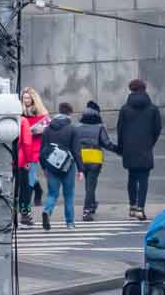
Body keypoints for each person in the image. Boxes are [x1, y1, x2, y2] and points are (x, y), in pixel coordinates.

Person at [115, 78, 162, 220]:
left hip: (129, 149)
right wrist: (150, 143)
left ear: (131, 90)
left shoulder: (125, 109)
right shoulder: (153, 109)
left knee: (131, 177)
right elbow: (157, 129)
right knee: (143, 179)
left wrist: (122, 148)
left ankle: (132, 207)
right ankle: (141, 208)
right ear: (144, 89)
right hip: (145, 148)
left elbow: (120, 130)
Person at [38, 102, 79, 230]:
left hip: (51, 165)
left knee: (52, 194)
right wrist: (81, 169)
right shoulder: (72, 129)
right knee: (69, 194)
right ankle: (70, 222)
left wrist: (44, 167)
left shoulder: (48, 129)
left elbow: (42, 150)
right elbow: (76, 150)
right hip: (68, 165)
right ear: (69, 114)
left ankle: (47, 210)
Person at [73, 101, 117, 221]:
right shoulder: (99, 127)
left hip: (81, 158)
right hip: (94, 158)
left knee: (88, 184)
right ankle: (87, 210)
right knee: (91, 186)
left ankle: (92, 204)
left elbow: (73, 142)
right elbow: (106, 143)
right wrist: (119, 150)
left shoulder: (77, 126)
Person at [16, 88, 49, 225]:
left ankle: (25, 212)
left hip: (34, 151)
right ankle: (37, 192)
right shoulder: (19, 114)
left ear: (34, 99)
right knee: (26, 182)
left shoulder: (42, 114)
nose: (26, 100)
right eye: (24, 98)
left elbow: (48, 127)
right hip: (22, 152)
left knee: (28, 182)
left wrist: (38, 130)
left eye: (29, 98)